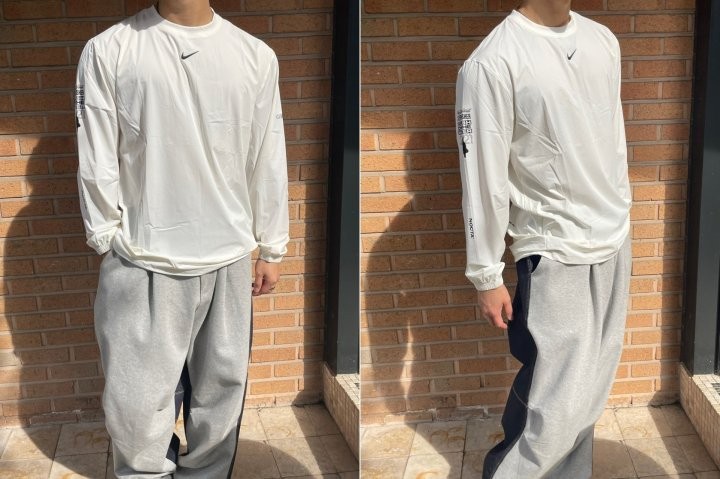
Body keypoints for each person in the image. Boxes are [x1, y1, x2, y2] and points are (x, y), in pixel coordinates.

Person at [75, 0, 289, 477]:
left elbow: (267, 152)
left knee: (221, 399)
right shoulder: (110, 49)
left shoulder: (255, 56)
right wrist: (107, 236)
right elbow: (96, 153)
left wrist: (272, 245)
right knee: (135, 408)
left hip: (228, 258)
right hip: (142, 259)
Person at [455, 0, 631, 477]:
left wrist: (622, 210)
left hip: (614, 239)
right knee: (554, 403)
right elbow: (482, 176)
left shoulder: (602, 41)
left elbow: (612, 139)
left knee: (590, 391)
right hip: (552, 249)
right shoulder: (491, 63)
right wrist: (486, 273)